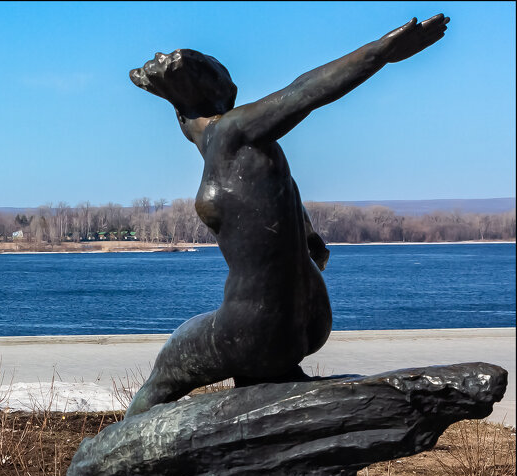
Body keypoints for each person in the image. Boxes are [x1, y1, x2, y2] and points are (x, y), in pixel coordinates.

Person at [123, 14, 448, 417]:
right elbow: (284, 200)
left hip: (257, 326)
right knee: (251, 388)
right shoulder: (256, 149)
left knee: (164, 373)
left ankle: (115, 451)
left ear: (180, 117)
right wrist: (309, 237)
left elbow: (303, 91)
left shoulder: (230, 132)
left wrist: (380, 52)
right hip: (308, 316)